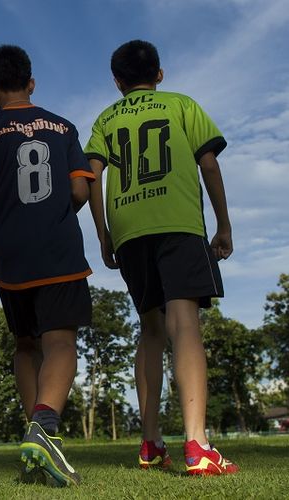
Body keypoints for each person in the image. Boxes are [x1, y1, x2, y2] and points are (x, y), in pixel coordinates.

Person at [84, 40, 238, 476]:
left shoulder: (106, 119)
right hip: (178, 224)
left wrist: (103, 234)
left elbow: (92, 176)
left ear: (117, 82)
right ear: (160, 73)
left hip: (130, 231)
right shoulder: (182, 104)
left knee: (150, 329)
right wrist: (224, 225)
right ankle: (198, 444)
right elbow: (208, 164)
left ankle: (151, 442)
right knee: (184, 322)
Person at [0, 45, 94, 486]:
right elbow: (80, 191)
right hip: (58, 247)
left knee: (26, 344)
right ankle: (45, 429)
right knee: (61, 342)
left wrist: (2, 210)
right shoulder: (62, 126)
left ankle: (36, 442)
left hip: (9, 250)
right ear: (31, 82)